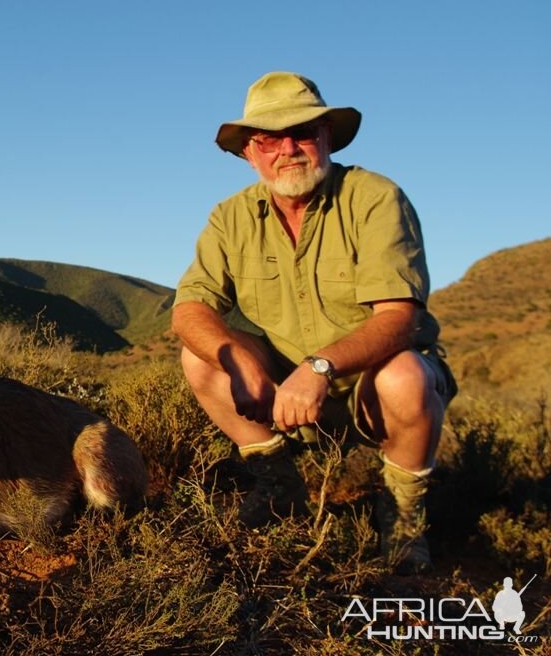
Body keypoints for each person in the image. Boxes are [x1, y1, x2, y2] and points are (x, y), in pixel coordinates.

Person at [172, 71, 456, 575]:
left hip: (366, 383)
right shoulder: (229, 217)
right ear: (249, 152)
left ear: (326, 137)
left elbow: (399, 318)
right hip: (283, 390)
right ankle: (279, 487)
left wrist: (319, 367)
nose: (289, 149)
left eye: (303, 132)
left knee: (406, 375)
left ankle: (404, 519)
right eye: (270, 138)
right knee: (201, 356)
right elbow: (191, 306)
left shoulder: (374, 197)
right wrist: (238, 359)